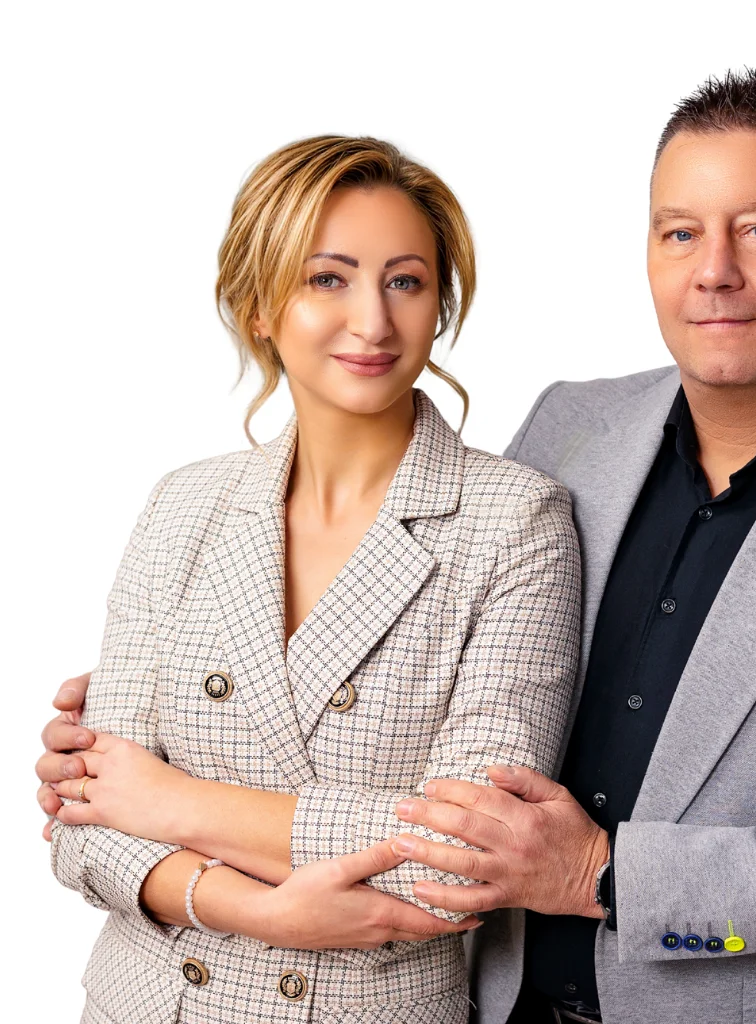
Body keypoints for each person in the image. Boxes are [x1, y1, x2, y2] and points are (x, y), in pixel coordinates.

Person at [38, 70, 756, 1024]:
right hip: (496, 1001)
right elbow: (433, 629)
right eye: (679, 231)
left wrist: (601, 874)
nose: (714, 268)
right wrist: (170, 700)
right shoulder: (573, 428)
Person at [35, 134, 581, 1024]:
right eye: (328, 279)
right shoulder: (185, 504)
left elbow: (470, 856)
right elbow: (83, 825)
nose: (373, 321)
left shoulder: (515, 520)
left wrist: (171, 801)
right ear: (258, 305)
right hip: (148, 1002)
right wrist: (254, 909)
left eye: (405, 282)